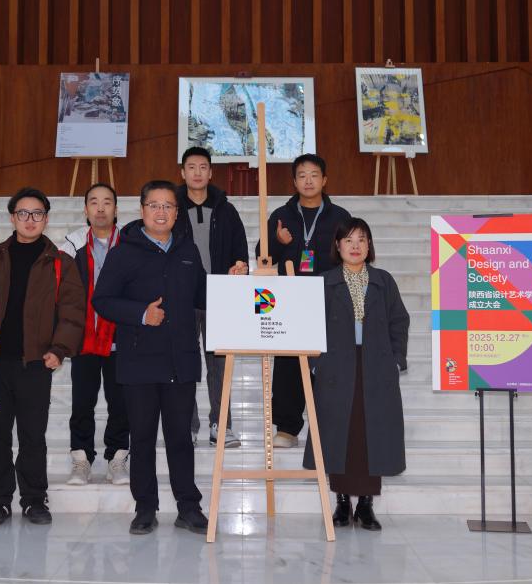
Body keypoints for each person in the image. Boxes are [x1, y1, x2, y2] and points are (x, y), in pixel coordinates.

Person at [91, 180, 209, 535]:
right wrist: (141, 314)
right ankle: (145, 508)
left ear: (176, 212)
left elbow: (203, 294)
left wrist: (232, 281)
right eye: (154, 205)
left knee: (180, 439)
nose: (161, 212)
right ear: (142, 210)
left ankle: (189, 507)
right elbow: (102, 300)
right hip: (139, 362)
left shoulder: (188, 250)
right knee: (141, 439)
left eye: (168, 206)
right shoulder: (124, 252)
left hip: (180, 362)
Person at [0, 187, 86, 527]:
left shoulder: (60, 263)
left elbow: (73, 311)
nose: (30, 219)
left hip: (36, 364)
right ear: (12, 218)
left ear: (46, 218)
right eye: (23, 213)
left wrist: (59, 349)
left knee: (32, 437)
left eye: (37, 213)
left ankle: (34, 500)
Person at [303, 218, 409, 532]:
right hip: (336, 367)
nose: (355, 246)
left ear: (369, 245)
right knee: (340, 433)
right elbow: (309, 323)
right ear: (338, 246)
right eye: (348, 240)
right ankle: (341, 502)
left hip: (375, 366)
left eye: (362, 239)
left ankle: (365, 504)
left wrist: (396, 360)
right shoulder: (325, 282)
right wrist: (316, 363)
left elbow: (399, 321)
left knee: (370, 433)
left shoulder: (383, 281)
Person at [256, 153, 351, 448]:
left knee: (330, 362)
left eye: (314, 175)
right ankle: (287, 429)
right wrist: (278, 242)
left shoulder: (340, 217)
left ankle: (331, 426)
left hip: (329, 297)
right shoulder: (281, 215)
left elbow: (351, 253)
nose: (308, 180)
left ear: (324, 180)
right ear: (294, 182)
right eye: (301, 175)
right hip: (290, 299)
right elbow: (262, 255)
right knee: (289, 363)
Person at [173, 147, 249, 449]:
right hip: (182, 297)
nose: (197, 172)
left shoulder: (225, 210)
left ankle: (222, 425)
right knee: (184, 363)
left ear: (211, 172)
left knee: (219, 365)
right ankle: (186, 425)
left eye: (203, 167)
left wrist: (241, 265)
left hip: (219, 298)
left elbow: (240, 248)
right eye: (191, 167)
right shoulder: (172, 208)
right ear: (182, 172)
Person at [59, 183, 130, 486]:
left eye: (107, 202)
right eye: (94, 202)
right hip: (84, 338)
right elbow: (60, 290)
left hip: (122, 338)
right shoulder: (71, 244)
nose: (100, 208)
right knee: (82, 404)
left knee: (121, 404)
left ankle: (117, 459)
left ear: (116, 209)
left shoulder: (130, 243)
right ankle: (81, 460)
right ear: (85, 209)